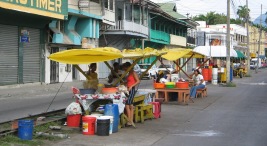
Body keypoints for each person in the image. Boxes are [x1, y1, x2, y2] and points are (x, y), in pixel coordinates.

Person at [123, 62, 140, 127]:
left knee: (127, 104)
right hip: (127, 90)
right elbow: (129, 81)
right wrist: (125, 83)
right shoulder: (129, 73)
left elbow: (138, 81)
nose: (125, 69)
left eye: (125, 68)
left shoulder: (133, 73)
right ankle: (130, 120)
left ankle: (130, 120)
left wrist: (131, 86)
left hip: (132, 90)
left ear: (128, 67)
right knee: (130, 105)